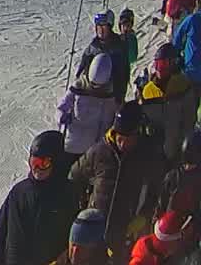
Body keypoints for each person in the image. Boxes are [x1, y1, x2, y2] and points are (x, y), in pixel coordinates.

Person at [71, 102, 170, 257]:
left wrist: (144, 216)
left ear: (138, 133)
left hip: (125, 230)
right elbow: (75, 175)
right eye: (120, 138)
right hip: (94, 229)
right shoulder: (100, 151)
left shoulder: (148, 155)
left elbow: (158, 189)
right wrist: (83, 204)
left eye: (128, 139)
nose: (123, 144)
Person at [0, 129, 78, 265]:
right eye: (33, 162)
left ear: (57, 162)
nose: (36, 169)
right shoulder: (20, 192)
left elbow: (75, 244)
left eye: (43, 163)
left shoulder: (69, 194)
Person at [139, 44, 198, 166]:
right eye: (157, 65)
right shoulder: (148, 90)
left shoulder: (182, 86)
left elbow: (189, 120)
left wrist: (186, 148)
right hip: (155, 152)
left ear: (173, 64)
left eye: (164, 64)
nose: (160, 69)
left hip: (177, 152)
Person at [63, 54, 125, 165]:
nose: (96, 89)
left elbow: (119, 114)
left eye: (99, 86)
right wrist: (62, 117)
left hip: (97, 151)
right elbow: (62, 107)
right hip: (74, 147)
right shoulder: (78, 88)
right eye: (93, 84)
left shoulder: (112, 96)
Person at [155, 132, 201, 216]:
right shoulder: (173, 176)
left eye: (191, 165)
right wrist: (156, 222)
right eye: (186, 164)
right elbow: (161, 204)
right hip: (168, 224)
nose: (188, 167)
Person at [126, 211, 193, 264]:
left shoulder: (159, 252)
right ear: (168, 242)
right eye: (179, 239)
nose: (180, 242)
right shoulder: (140, 260)